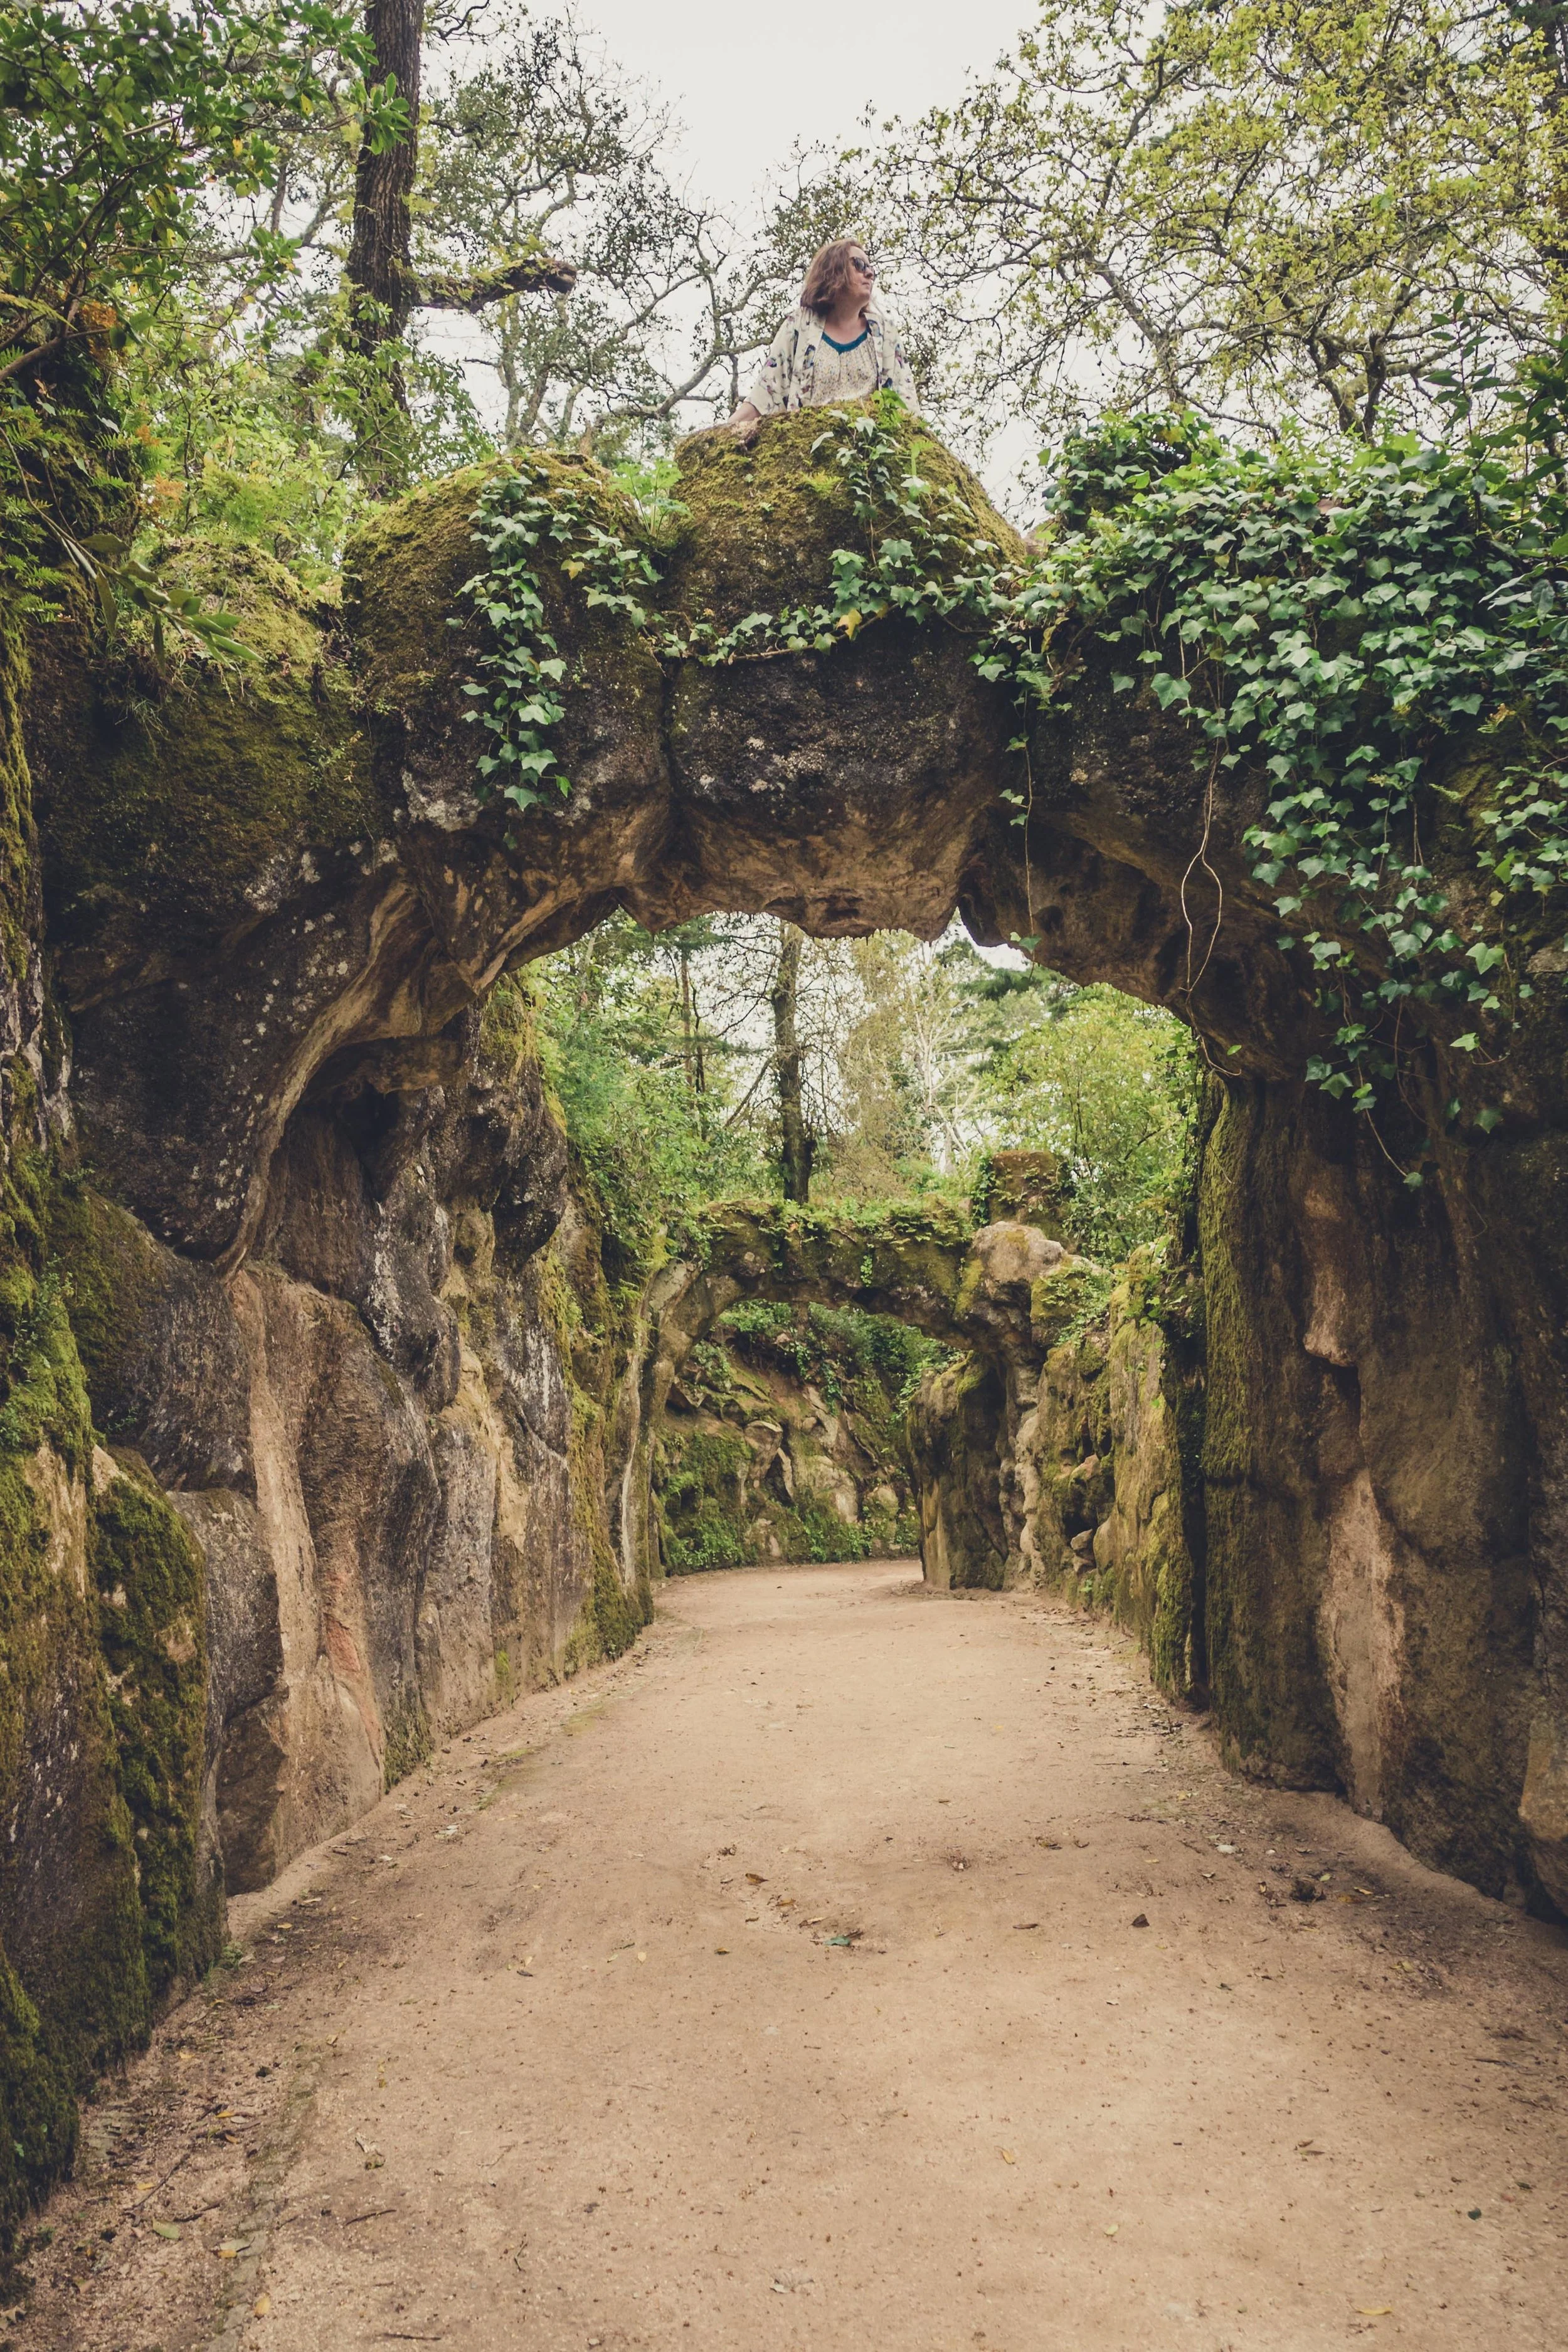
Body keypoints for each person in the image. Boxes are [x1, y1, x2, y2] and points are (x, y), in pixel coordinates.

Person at [725, 238, 918, 442]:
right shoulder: (800, 326)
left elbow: (907, 409)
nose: (869, 274)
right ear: (834, 270)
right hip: (808, 455)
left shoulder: (885, 334)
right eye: (859, 265)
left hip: (870, 461)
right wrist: (713, 441)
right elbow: (765, 396)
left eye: (871, 269)